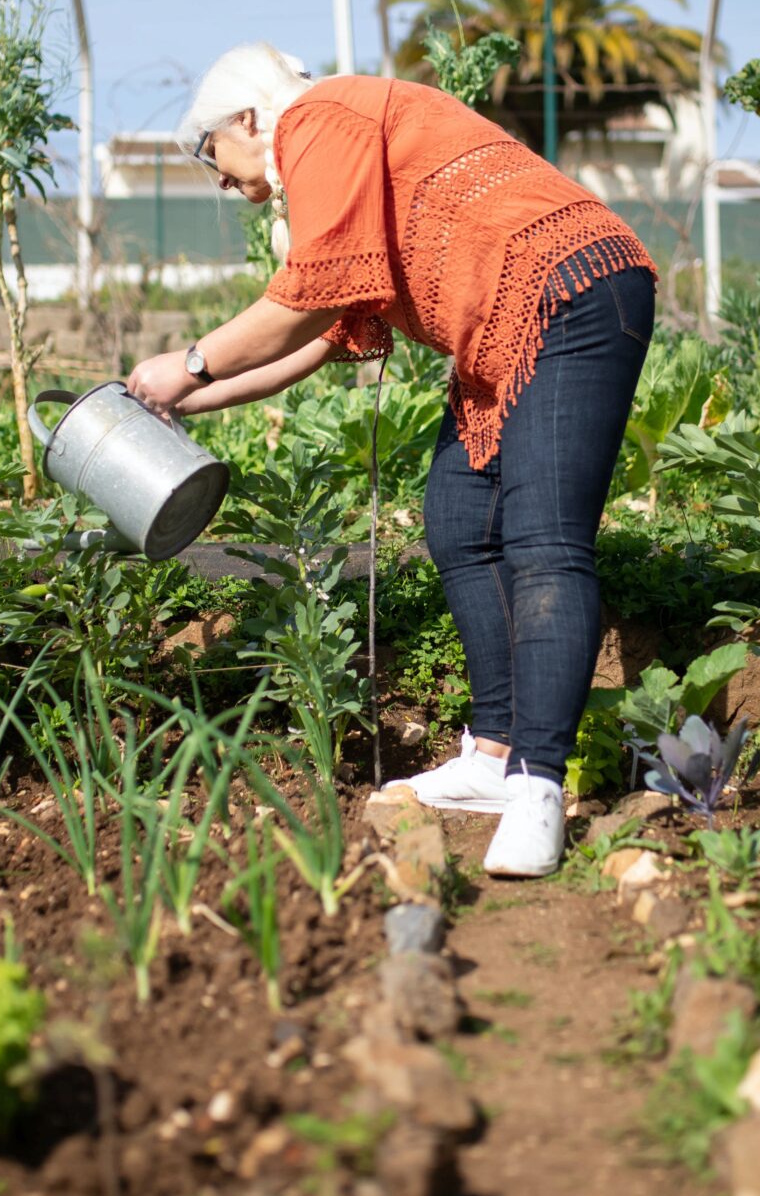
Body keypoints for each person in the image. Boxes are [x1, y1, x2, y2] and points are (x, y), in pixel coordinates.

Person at [127, 43, 655, 878]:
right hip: (507, 326)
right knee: (458, 518)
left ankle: (539, 786)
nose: (221, 182)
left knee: (546, 539)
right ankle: (492, 755)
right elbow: (321, 333)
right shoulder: (338, 163)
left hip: (573, 291)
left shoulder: (318, 117)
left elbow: (309, 296)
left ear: (247, 119)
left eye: (210, 157)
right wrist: (190, 398)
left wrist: (189, 360)